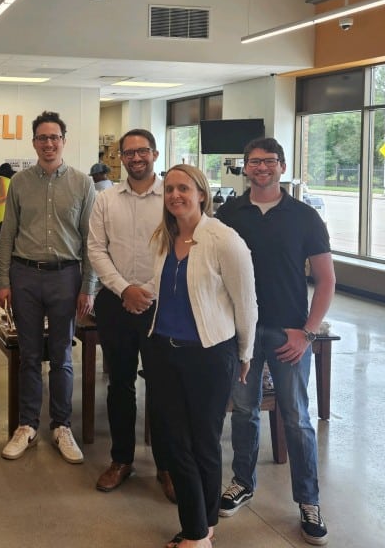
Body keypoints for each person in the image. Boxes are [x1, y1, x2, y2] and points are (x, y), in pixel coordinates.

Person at [215, 138, 335, 546]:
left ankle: (308, 501)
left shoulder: (304, 216)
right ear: (245, 168)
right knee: (243, 411)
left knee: (296, 418)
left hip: (289, 333)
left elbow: (326, 279)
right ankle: (242, 482)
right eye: (254, 162)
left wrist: (308, 332)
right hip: (242, 332)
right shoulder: (230, 213)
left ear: (282, 166)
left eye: (269, 161)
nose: (261, 168)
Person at [146, 164, 256, 548]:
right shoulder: (164, 237)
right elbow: (163, 289)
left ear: (202, 194)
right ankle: (199, 528)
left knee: (204, 443)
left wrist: (245, 353)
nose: (175, 195)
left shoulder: (224, 239)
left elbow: (246, 303)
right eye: (169, 189)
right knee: (175, 443)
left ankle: (200, 531)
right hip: (164, 351)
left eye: (183, 188)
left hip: (209, 355)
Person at [0, 110, 96, 464]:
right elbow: (7, 234)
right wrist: (3, 281)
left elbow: (90, 240)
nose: (49, 143)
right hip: (25, 276)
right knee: (28, 355)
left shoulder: (83, 184)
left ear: (64, 141)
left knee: (62, 356)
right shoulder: (19, 183)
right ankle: (27, 425)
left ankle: (61, 426)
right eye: (42, 138)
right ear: (34, 142)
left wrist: (89, 286)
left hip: (66, 277)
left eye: (54, 137)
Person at [87, 129, 174, 499]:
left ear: (155, 154)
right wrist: (125, 289)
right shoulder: (106, 199)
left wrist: (147, 291)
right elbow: (96, 249)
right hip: (116, 302)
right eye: (129, 153)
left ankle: (167, 466)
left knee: (163, 386)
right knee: (120, 384)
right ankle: (121, 460)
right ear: (119, 158)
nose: (136, 158)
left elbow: (182, 247)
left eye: (143, 151)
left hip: (162, 304)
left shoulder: (173, 195)